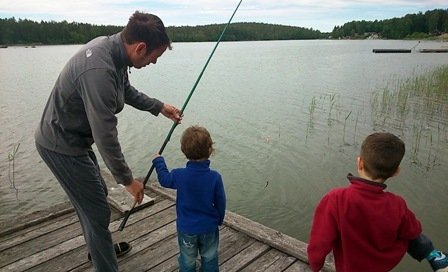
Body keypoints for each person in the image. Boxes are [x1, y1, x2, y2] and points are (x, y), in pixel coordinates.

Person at [35, 11, 182, 272]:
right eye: (155, 57)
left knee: (95, 201)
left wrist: (159, 107)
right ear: (141, 48)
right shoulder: (99, 69)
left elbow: (124, 90)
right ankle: (105, 262)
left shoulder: (115, 54)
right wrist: (128, 180)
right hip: (60, 145)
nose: (154, 63)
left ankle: (98, 247)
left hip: (75, 141)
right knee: (97, 211)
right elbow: (105, 134)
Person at [307, 132, 448, 272]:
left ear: (359, 162)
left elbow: (319, 242)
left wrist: (315, 266)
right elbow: (413, 231)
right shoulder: (397, 204)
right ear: (396, 172)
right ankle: (434, 256)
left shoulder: (336, 198)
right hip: (382, 267)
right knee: (410, 232)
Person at [152, 125, 226, 272]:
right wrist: (219, 219)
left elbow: (164, 180)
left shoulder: (179, 175)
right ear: (210, 150)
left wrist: (158, 161)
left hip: (187, 229)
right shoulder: (215, 177)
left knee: (187, 259)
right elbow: (221, 202)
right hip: (209, 227)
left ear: (183, 151)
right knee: (210, 258)